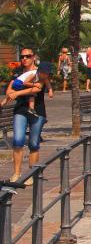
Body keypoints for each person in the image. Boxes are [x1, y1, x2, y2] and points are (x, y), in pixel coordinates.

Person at [8, 54, 52, 183]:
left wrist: (18, 92)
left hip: (37, 111)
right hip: (20, 110)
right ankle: (16, 173)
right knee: (17, 140)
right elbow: (9, 92)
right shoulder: (18, 74)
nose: (24, 59)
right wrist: (13, 92)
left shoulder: (42, 74)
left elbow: (35, 90)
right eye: (22, 56)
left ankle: (32, 175)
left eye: (27, 56)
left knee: (33, 143)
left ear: (33, 58)